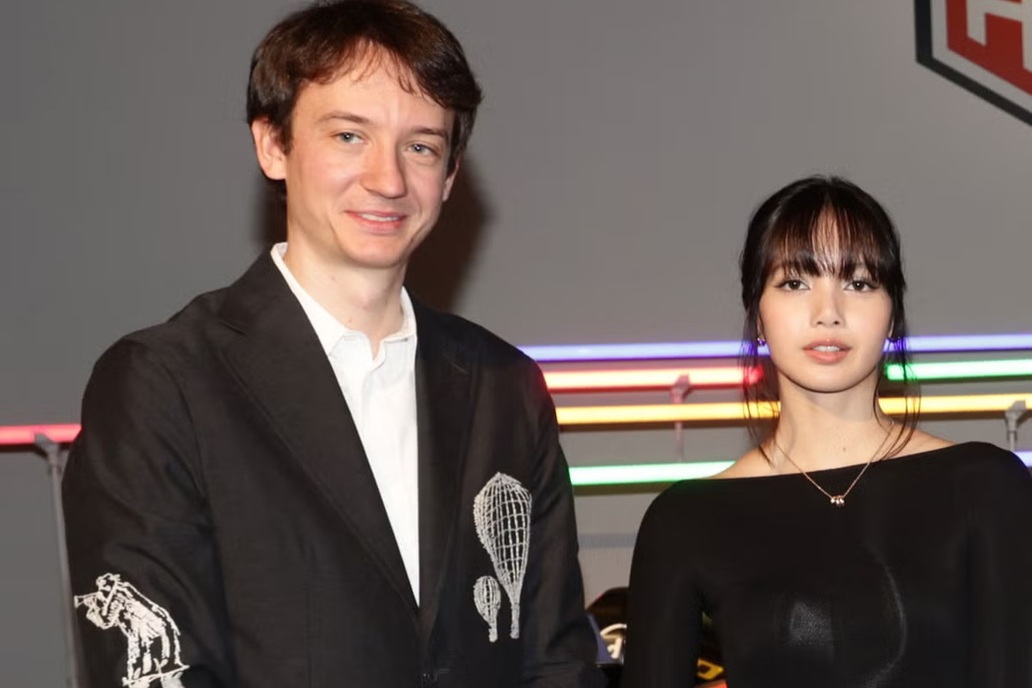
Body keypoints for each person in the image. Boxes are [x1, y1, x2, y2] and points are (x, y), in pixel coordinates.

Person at [62, 2, 604, 686]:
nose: (388, 179)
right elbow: (156, 667)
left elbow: (556, 659)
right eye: (350, 136)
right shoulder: (166, 384)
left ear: (450, 175)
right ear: (273, 145)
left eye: (421, 146)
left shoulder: (504, 386)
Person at [621, 175, 1032, 687]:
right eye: (795, 283)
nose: (828, 313)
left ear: (892, 314)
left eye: (859, 283)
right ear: (757, 312)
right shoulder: (685, 521)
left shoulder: (984, 486)